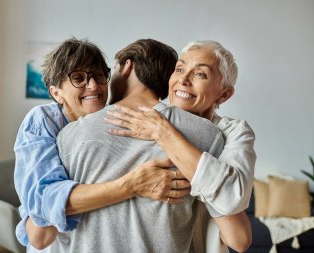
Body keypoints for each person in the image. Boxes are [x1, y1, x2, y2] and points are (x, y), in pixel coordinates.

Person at [30, 39, 250, 252]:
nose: (99, 86)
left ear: (126, 67)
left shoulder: (70, 134)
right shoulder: (208, 135)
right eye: (181, 70)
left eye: (108, 72)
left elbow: (41, 230)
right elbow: (236, 236)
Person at [14, 38, 190, 249]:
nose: (93, 85)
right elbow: (42, 228)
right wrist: (132, 185)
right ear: (56, 93)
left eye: (99, 75)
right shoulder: (43, 120)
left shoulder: (114, 119)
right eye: (78, 78)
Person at [105, 40, 256, 251]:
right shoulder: (144, 120)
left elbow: (238, 236)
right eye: (180, 69)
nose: (183, 80)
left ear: (224, 94)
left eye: (200, 74)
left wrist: (164, 133)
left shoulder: (234, 132)